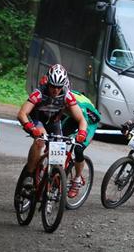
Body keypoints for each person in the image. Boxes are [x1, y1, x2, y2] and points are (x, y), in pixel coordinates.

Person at [16, 64, 87, 195]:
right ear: (47, 82)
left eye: (59, 87)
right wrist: (30, 127)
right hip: (37, 120)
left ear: (64, 85)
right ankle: (29, 175)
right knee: (40, 140)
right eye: (52, 86)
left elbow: (81, 119)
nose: (55, 90)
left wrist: (82, 132)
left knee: (59, 153)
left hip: (54, 122)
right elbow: (22, 114)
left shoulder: (67, 95)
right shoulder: (39, 93)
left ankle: (52, 178)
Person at [61, 89, 101, 198]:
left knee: (78, 148)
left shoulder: (73, 102)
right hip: (73, 117)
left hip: (88, 121)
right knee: (57, 138)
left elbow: (82, 122)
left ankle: (77, 179)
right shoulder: (57, 93)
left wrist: (77, 135)